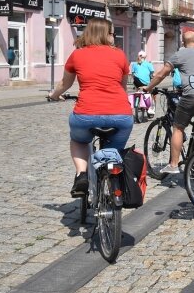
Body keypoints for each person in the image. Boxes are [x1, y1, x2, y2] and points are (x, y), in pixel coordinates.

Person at [47, 18, 133, 197]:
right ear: (105, 34)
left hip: (86, 114)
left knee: (79, 141)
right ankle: (111, 179)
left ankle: (82, 174)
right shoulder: (120, 55)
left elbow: (65, 84)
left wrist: (53, 95)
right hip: (121, 115)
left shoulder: (77, 54)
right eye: (111, 33)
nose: (113, 37)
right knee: (113, 153)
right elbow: (122, 87)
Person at [142, 31, 194, 174]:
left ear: (183, 43)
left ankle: (174, 165)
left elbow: (161, 74)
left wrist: (148, 87)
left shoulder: (180, 54)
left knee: (178, 128)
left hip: (192, 95)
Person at [130, 50, 156, 117]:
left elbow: (133, 74)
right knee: (151, 93)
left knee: (137, 89)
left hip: (136, 82)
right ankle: (150, 109)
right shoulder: (148, 64)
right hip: (146, 82)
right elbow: (152, 73)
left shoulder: (134, 64)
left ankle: (137, 102)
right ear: (145, 57)